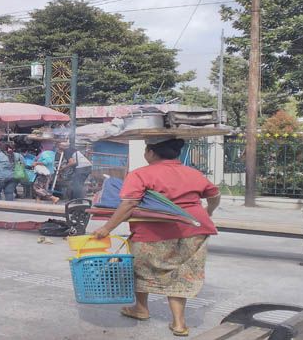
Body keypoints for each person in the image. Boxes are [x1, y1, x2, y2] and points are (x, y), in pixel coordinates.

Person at [90, 137, 221, 337]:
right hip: (194, 229)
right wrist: (209, 211)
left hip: (152, 232)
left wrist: (106, 228)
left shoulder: (140, 174)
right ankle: (179, 323)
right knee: (181, 273)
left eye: (146, 150)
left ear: (151, 152)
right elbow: (214, 195)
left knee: (140, 269)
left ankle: (141, 309)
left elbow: (129, 204)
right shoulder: (193, 173)